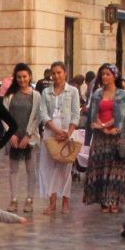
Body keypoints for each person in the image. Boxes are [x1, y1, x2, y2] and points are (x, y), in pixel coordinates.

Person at [82, 63, 125, 214]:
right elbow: (92, 116)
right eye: (103, 74)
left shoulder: (123, 94)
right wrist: (92, 134)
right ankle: (104, 201)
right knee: (101, 168)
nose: (105, 77)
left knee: (116, 170)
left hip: (116, 136)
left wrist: (109, 126)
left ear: (115, 76)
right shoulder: (97, 94)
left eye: (108, 74)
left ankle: (114, 200)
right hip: (100, 136)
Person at [38, 61, 81, 215]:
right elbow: (43, 113)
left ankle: (66, 201)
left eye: (59, 72)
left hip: (67, 132)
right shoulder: (46, 92)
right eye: (53, 73)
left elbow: (76, 113)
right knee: (49, 168)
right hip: (51, 132)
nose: (56, 76)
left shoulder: (73, 91)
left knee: (65, 169)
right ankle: (52, 202)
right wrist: (55, 129)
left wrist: (68, 133)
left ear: (65, 73)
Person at [3, 63, 42, 213]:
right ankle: (13, 199)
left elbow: (37, 116)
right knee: (13, 170)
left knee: (30, 170)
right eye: (19, 77)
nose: (21, 79)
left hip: (29, 138)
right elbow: (4, 117)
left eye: (24, 76)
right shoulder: (10, 95)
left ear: (30, 77)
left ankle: (30, 199)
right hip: (13, 137)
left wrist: (28, 135)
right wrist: (10, 134)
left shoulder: (35, 95)